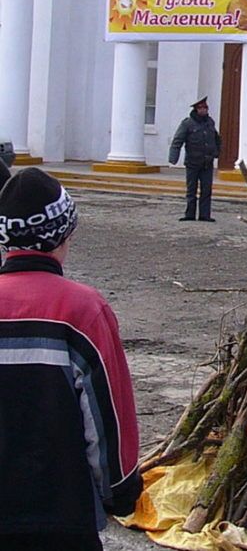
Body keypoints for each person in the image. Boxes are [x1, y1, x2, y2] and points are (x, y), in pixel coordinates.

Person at [0, 167, 143, 551]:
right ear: (65, 233)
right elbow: (109, 417)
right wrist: (119, 491)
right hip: (62, 518)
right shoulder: (83, 310)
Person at [169, 95, 221, 222]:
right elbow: (178, 140)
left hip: (207, 162)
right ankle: (190, 214)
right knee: (191, 190)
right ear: (196, 109)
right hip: (193, 162)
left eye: (206, 108)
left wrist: (217, 152)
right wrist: (173, 158)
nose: (204, 110)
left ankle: (204, 215)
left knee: (206, 190)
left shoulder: (210, 122)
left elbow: (216, 139)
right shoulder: (187, 124)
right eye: (201, 108)